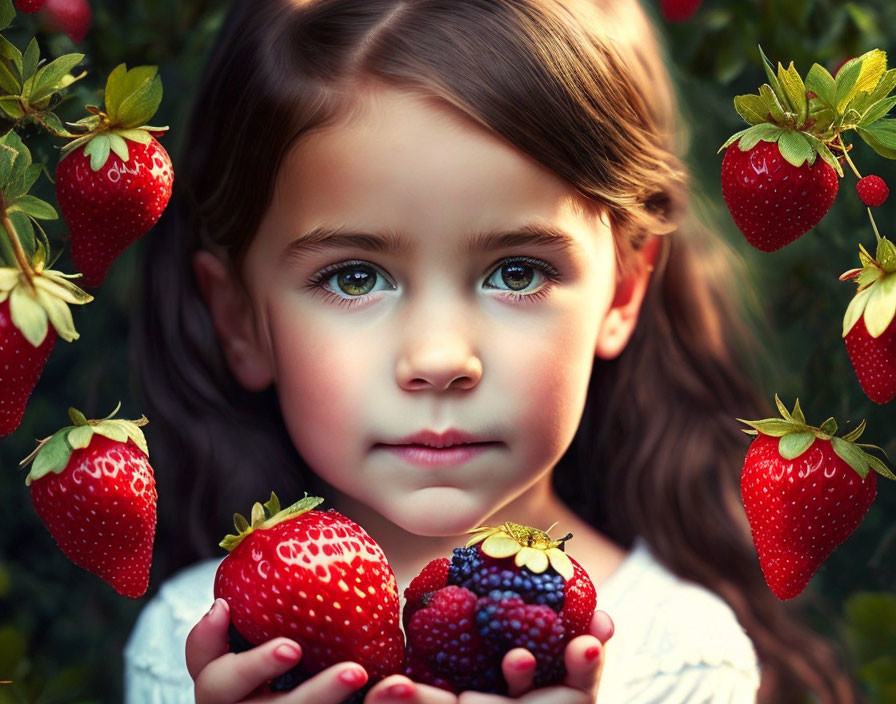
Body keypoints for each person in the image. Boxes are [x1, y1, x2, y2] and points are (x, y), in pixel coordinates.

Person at [123, 0, 858, 702]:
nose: (441, 358)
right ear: (240, 320)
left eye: (517, 272)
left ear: (623, 293)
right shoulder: (196, 651)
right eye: (354, 277)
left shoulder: (683, 655)